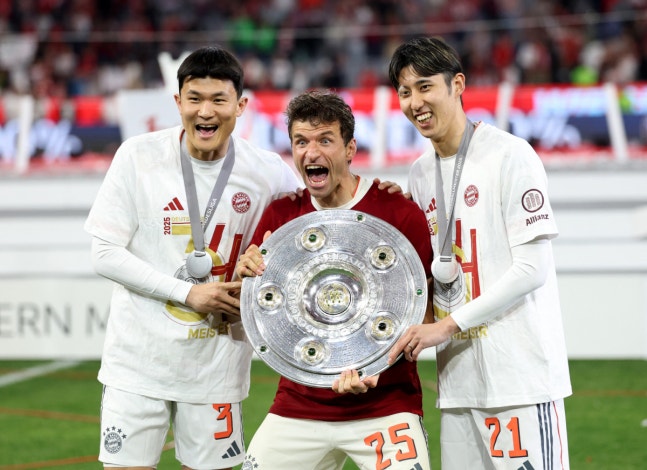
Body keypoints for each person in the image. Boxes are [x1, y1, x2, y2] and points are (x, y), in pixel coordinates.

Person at [84, 46, 302, 470]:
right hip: (137, 363)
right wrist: (189, 294)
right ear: (178, 102)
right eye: (195, 98)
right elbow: (104, 253)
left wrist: (377, 194)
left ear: (240, 106)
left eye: (219, 99)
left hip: (216, 368)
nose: (205, 111)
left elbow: (315, 221)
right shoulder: (138, 156)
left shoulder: (268, 171)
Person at [386, 36, 572, 470]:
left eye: (425, 86)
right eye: (405, 92)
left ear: (458, 85)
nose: (415, 103)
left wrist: (446, 327)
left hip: (520, 379)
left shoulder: (510, 155)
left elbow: (532, 269)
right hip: (458, 383)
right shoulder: (419, 173)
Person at [236, 90, 434, 470]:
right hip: (300, 405)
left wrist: (375, 365)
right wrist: (245, 274)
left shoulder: (398, 213)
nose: (311, 153)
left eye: (325, 140)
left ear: (350, 149)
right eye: (301, 142)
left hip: (385, 404)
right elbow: (261, 310)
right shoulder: (281, 218)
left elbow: (425, 312)